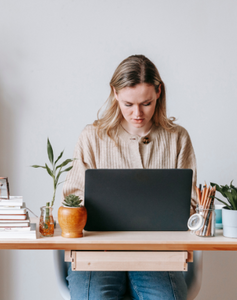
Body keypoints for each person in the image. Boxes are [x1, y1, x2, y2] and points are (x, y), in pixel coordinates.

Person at [62, 54, 197, 300]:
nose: (137, 113)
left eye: (146, 103)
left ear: (158, 92)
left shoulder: (178, 138)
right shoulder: (92, 137)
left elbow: (191, 204)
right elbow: (72, 197)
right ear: (114, 93)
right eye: (128, 104)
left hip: (158, 255)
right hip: (97, 253)